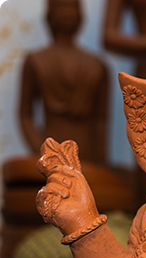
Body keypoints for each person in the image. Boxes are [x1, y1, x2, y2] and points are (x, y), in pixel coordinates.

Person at [19, 0, 108, 164]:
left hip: (86, 153)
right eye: (61, 6)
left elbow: (101, 121)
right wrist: (42, 150)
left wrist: (101, 163)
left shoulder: (97, 66)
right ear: (50, 13)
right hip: (51, 146)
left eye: (73, 7)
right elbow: (25, 115)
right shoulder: (36, 61)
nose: (68, 12)